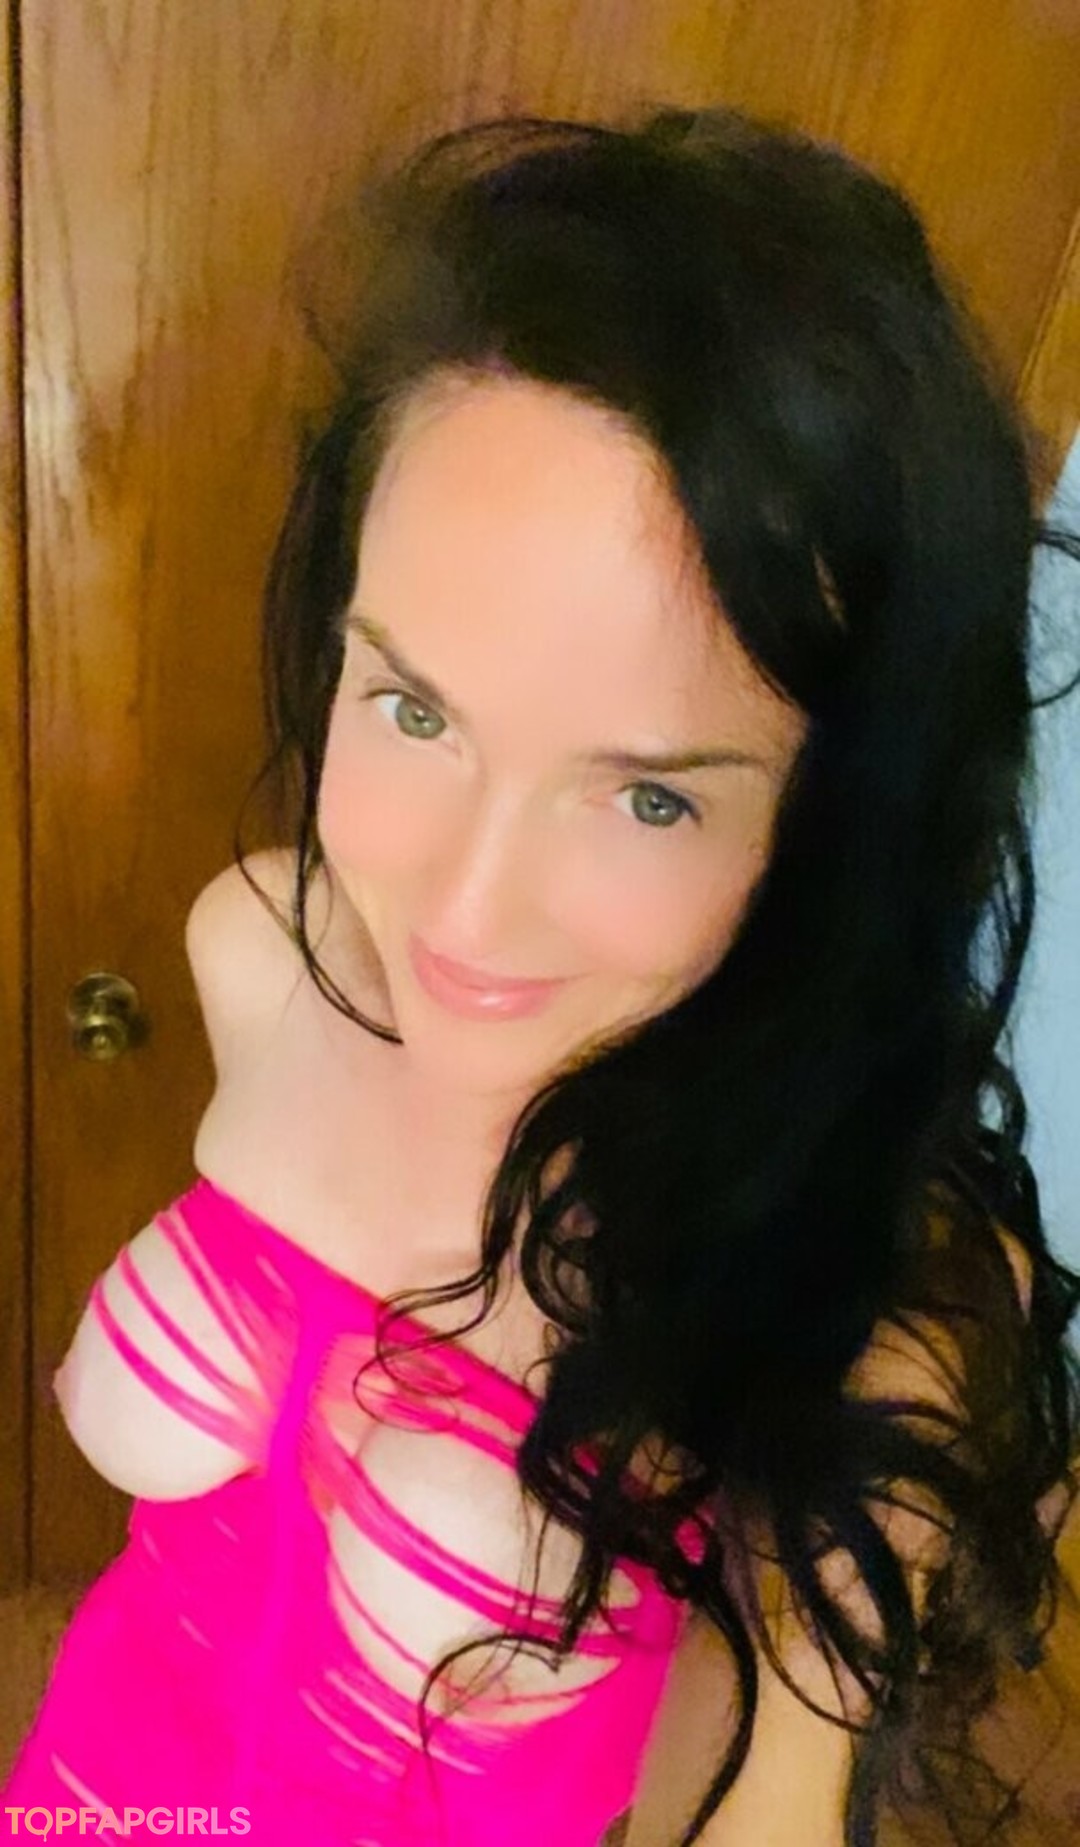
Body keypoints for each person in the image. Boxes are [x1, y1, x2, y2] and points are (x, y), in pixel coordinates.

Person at [4, 102, 1078, 1847]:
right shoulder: (263, 950)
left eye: (648, 795)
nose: (467, 910)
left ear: (837, 819)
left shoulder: (869, 1311)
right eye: (413, 708)